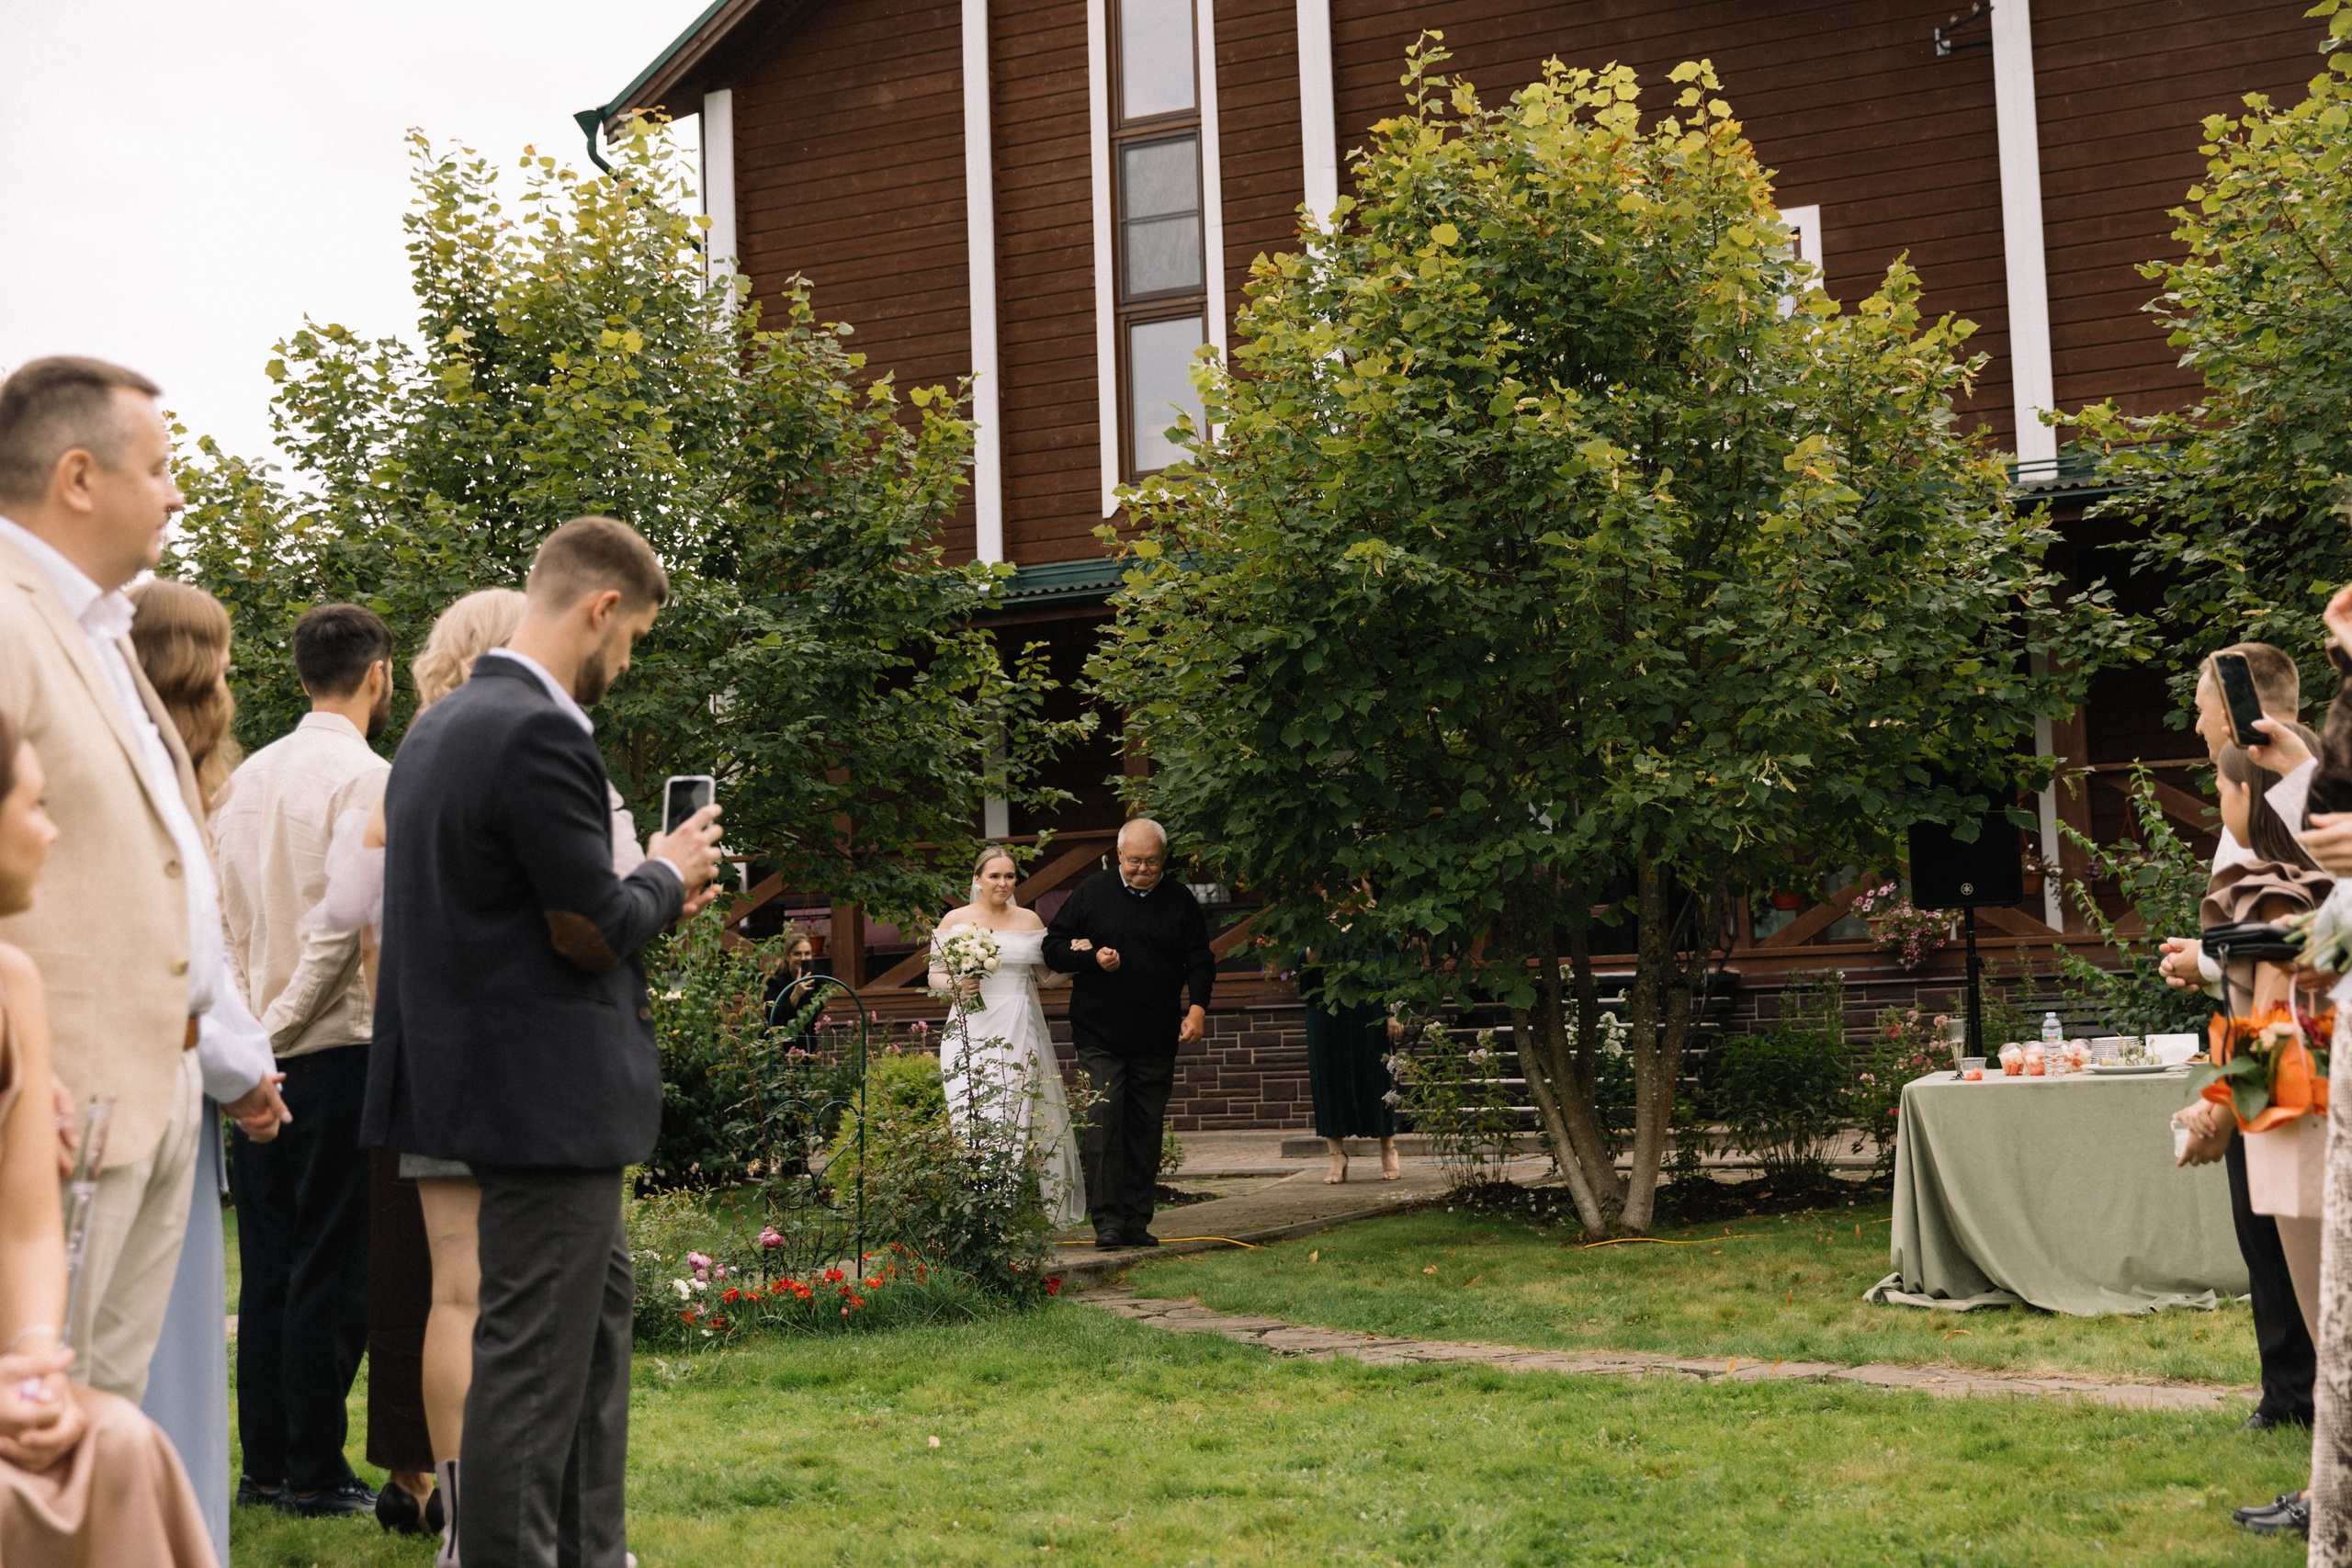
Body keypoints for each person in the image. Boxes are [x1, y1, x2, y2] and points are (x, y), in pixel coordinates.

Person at [363, 516, 723, 1566]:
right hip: (543, 1106)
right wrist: (666, 871)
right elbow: (589, 928)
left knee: (593, 1339)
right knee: (528, 1371)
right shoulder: (540, 728)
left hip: (480, 1091)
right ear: (600, 608)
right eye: (636, 636)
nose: (627, 659)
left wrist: (643, 888)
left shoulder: (442, 724)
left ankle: (591, 1553)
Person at [0, 356, 287, 1401]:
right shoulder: (6, 618)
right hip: (64, 1092)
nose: (175, 493)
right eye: (160, 469)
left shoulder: (105, 628)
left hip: (160, 1085)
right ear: (79, 476)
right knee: (32, 1434)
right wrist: (23, 1073)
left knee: (97, 1426)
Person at [0, 713, 220, 1565]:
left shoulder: (17, 987)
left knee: (121, 1439)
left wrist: (31, 1367)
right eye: (36, 803)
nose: (54, 828)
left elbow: (26, 1226)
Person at [212, 603, 400, 1522]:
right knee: (334, 1265)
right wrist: (279, 1027)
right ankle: (316, 1470)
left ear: (299, 675)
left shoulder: (242, 779)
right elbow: (343, 927)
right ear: (379, 676)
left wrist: (245, 1034)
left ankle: (267, 1467)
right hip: (332, 1049)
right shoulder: (370, 778)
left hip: (257, 1059)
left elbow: (220, 918)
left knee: (273, 1263)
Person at [125, 579, 286, 1564]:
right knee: (167, 1348)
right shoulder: (154, 764)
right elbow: (189, 950)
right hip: (152, 1087)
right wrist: (244, 1070)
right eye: (222, 654)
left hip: (169, 1074)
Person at [2155, 647, 2322, 1456]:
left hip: (2299, 1076)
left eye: (2200, 699)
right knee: (2275, 1233)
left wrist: (2225, 1102)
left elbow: (2273, 986)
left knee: (2298, 1238)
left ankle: (2315, 1403)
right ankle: (2297, 1395)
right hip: (2288, 1066)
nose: (2194, 718)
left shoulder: (2284, 835)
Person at [1042, 818, 1214, 1248]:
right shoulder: (1091, 893)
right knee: (1103, 1122)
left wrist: (1197, 1009)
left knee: (1145, 1127)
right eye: (1135, 861)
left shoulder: (1178, 899)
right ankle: (1108, 1222)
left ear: (1163, 859)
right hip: (1099, 1032)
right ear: (1119, 856)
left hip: (1156, 1034)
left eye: (1151, 862)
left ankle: (1137, 1220)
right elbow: (1053, 946)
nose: (1142, 869)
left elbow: (1200, 959)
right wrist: (1090, 959)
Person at [926, 847, 1085, 1228]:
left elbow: (1047, 977)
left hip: (1016, 1024)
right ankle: (975, 1211)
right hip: (967, 1029)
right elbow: (934, 975)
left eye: (1010, 876)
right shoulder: (956, 919)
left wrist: (1081, 960)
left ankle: (1001, 1214)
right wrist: (957, 985)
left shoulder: (1030, 920)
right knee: (969, 1120)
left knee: (1012, 1119)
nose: (1003, 883)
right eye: (994, 876)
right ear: (977, 879)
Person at [1303, 972, 1402, 1184]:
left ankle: (1388, 1149)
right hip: (1325, 1009)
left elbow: (1393, 967)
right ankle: (1336, 1156)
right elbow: (1303, 967)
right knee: (1329, 1078)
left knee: (1377, 1079)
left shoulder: (1375, 936)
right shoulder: (1319, 936)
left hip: (1371, 1009)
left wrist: (1393, 1013)